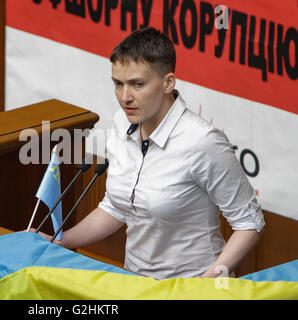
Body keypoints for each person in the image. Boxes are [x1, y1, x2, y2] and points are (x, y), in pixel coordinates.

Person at [34, 27, 265, 279]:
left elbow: (249, 223)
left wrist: (207, 282)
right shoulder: (121, 124)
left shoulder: (202, 142)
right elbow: (116, 207)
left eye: (137, 84)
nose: (125, 97)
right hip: (135, 284)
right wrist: (61, 241)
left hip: (193, 289)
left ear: (168, 83)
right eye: (118, 84)